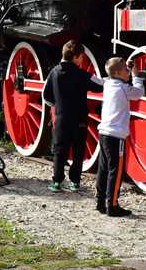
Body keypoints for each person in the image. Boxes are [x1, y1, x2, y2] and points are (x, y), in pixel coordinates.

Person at [42, 40, 104, 192]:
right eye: (81, 56)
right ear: (76, 57)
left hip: (62, 118)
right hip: (79, 119)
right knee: (78, 151)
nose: (82, 59)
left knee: (59, 150)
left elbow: (46, 96)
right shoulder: (82, 74)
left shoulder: (54, 72)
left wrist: (57, 107)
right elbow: (99, 85)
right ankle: (75, 182)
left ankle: (57, 182)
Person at [95, 57, 144, 217]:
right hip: (116, 136)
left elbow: (108, 77)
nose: (128, 72)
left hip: (103, 133)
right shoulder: (124, 88)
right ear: (117, 73)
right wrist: (137, 75)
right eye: (125, 70)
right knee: (116, 171)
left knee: (103, 169)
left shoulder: (108, 83)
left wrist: (126, 68)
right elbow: (139, 93)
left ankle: (100, 202)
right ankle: (113, 205)